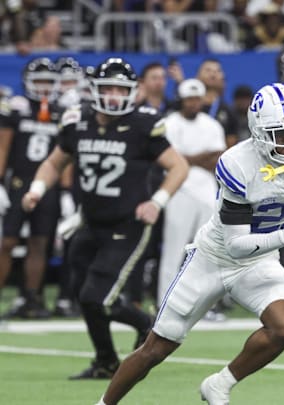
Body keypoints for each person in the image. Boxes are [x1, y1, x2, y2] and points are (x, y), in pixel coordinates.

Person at [95, 82, 284, 405]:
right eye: (283, 132)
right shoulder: (238, 164)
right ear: (259, 131)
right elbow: (237, 245)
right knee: (157, 348)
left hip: (260, 260)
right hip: (214, 257)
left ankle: (219, 384)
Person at [21, 57, 189, 379]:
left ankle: (138, 334)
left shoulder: (143, 124)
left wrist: (157, 201)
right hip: (90, 222)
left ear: (131, 91)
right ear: (94, 89)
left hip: (128, 224)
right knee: (86, 296)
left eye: (120, 88)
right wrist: (37, 189)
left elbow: (178, 167)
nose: (113, 95)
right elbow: (55, 162)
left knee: (94, 295)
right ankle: (110, 357)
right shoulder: (77, 119)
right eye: (107, 88)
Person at [0, 57, 61, 319]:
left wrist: (67, 191)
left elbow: (65, 154)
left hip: (48, 185)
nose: (44, 86)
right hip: (18, 183)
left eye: (49, 81)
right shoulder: (16, 108)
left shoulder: (60, 111)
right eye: (40, 81)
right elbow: (2, 148)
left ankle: (31, 299)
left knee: (39, 243)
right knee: (7, 242)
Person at [157, 78, 226, 302]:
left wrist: (186, 158)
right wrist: (199, 158)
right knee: (173, 251)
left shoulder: (212, 125)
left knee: (206, 253)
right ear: (181, 100)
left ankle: (202, 304)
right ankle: (164, 302)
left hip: (207, 193)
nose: (193, 103)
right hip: (179, 192)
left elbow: (217, 160)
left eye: (197, 99)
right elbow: (169, 159)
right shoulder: (170, 123)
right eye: (189, 99)